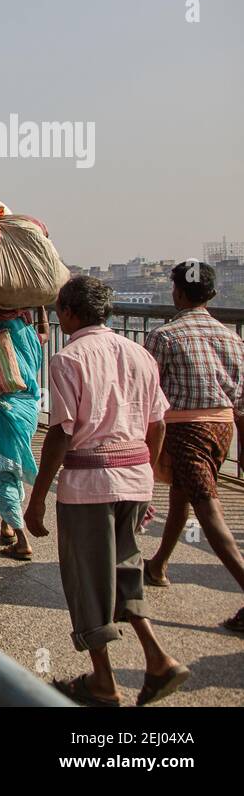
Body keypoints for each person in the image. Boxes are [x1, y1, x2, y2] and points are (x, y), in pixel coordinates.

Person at [24, 276, 187, 707]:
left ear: (69, 314)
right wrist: (147, 475)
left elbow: (61, 434)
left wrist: (38, 497)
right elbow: (158, 424)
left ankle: (103, 680)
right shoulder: (140, 355)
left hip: (89, 485)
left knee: (86, 581)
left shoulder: (67, 359)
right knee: (126, 571)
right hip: (135, 476)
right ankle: (157, 658)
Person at [142, 262, 244, 633]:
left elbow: (147, 392)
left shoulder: (164, 337)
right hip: (222, 429)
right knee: (182, 497)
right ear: (212, 295)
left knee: (208, 511)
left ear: (177, 294)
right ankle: (158, 565)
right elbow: (241, 400)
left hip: (186, 429)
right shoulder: (232, 337)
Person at [0, 308, 45, 560]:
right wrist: (39, 309)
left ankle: (21, 539)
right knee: (13, 465)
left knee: (1, 471)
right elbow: (45, 332)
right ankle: (6, 524)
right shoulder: (32, 337)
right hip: (29, 410)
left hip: (4, 410)